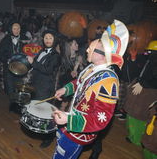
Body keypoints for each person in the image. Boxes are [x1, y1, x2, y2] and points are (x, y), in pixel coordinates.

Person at [51, 20, 129, 159]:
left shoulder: (108, 82)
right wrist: (66, 89)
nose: (87, 50)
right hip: (70, 121)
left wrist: (69, 121)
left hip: (78, 132)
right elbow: (79, 82)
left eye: (91, 48)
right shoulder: (92, 68)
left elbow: (101, 120)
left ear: (102, 55)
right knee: (59, 151)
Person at [27, 30, 61, 148]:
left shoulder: (56, 56)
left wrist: (33, 63)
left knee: (47, 114)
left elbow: (48, 70)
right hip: (36, 84)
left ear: (54, 40)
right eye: (46, 38)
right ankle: (37, 130)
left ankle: (49, 138)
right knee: (37, 109)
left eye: (50, 38)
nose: (47, 40)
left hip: (46, 87)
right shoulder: (41, 51)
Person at [0, 21, 29, 113]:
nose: (16, 30)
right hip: (9, 68)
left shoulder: (25, 39)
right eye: (14, 28)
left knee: (20, 87)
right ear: (11, 29)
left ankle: (20, 104)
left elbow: (30, 52)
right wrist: (6, 60)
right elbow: (0, 54)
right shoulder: (5, 40)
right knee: (10, 87)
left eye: (18, 28)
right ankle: (13, 104)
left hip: (22, 68)